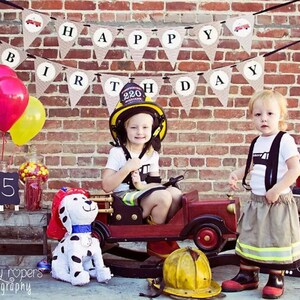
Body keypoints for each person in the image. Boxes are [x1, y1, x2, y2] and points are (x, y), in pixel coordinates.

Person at [221, 90, 300, 299]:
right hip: (256, 201)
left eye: (270, 114)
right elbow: (254, 166)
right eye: (257, 114)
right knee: (249, 235)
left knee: (277, 238)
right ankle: (248, 275)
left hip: (277, 202)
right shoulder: (257, 142)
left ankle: (276, 277)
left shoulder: (285, 140)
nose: (263, 118)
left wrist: (276, 189)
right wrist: (236, 175)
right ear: (252, 117)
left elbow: (295, 170)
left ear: (280, 116)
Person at [102, 82, 182, 259]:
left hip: (142, 195)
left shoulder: (152, 154)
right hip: (123, 200)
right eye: (134, 127)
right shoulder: (117, 153)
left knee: (175, 194)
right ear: (125, 128)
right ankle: (155, 240)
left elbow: (154, 184)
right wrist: (127, 168)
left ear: (152, 129)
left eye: (145, 127)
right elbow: (107, 186)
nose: (140, 132)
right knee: (163, 196)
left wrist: (140, 185)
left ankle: (163, 232)